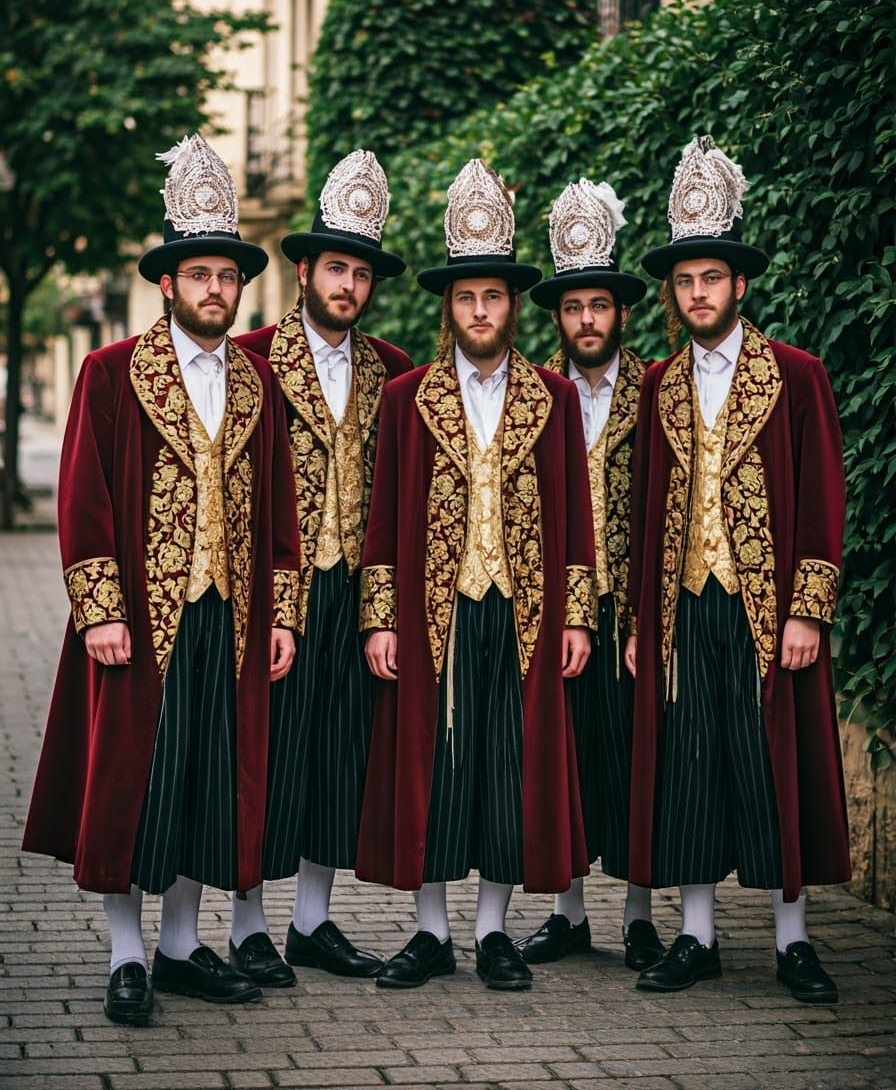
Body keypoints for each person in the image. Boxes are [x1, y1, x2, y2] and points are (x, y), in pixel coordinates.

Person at [23, 136, 301, 1025]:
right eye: (200, 276)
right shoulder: (110, 373)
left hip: (233, 617)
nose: (216, 289)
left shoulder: (258, 383)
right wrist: (98, 607)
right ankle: (127, 954)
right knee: (128, 783)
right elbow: (83, 494)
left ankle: (182, 945)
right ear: (167, 284)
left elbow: (283, 509)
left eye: (227, 277)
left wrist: (284, 617)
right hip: (139, 620)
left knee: (204, 781)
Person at [355, 159, 595, 992]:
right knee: (432, 764)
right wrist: (379, 617)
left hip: (522, 611)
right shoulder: (407, 399)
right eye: (465, 298)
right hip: (432, 613)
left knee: (507, 762)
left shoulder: (554, 398)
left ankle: (493, 930)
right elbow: (381, 516)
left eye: (492, 296)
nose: (480, 310)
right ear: (448, 307)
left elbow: (576, 518)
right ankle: (430, 932)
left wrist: (576, 615)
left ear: (512, 304)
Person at [625, 136, 850, 1002]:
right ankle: (697, 936)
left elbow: (825, 497)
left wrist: (808, 609)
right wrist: (643, 625)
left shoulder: (796, 377)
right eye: (683, 283)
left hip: (767, 611)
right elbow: (646, 510)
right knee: (690, 767)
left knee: (774, 766)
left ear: (739, 285)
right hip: (686, 608)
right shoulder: (659, 387)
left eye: (709, 279)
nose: (695, 294)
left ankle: (794, 942)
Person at [231, 151, 413, 985]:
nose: (347, 283)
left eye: (360, 272)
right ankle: (245, 926)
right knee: (263, 751)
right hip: (278, 591)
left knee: (342, 753)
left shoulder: (394, 369)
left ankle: (313, 921)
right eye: (334, 267)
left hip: (355, 590)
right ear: (303, 270)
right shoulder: (253, 359)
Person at [517, 177, 663, 971]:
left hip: (638, 607)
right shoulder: (532, 395)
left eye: (599, 306)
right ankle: (570, 913)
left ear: (621, 311)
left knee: (639, 754)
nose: (586, 321)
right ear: (558, 317)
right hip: (553, 611)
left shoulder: (660, 389)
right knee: (565, 754)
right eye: (573, 308)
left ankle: (640, 914)